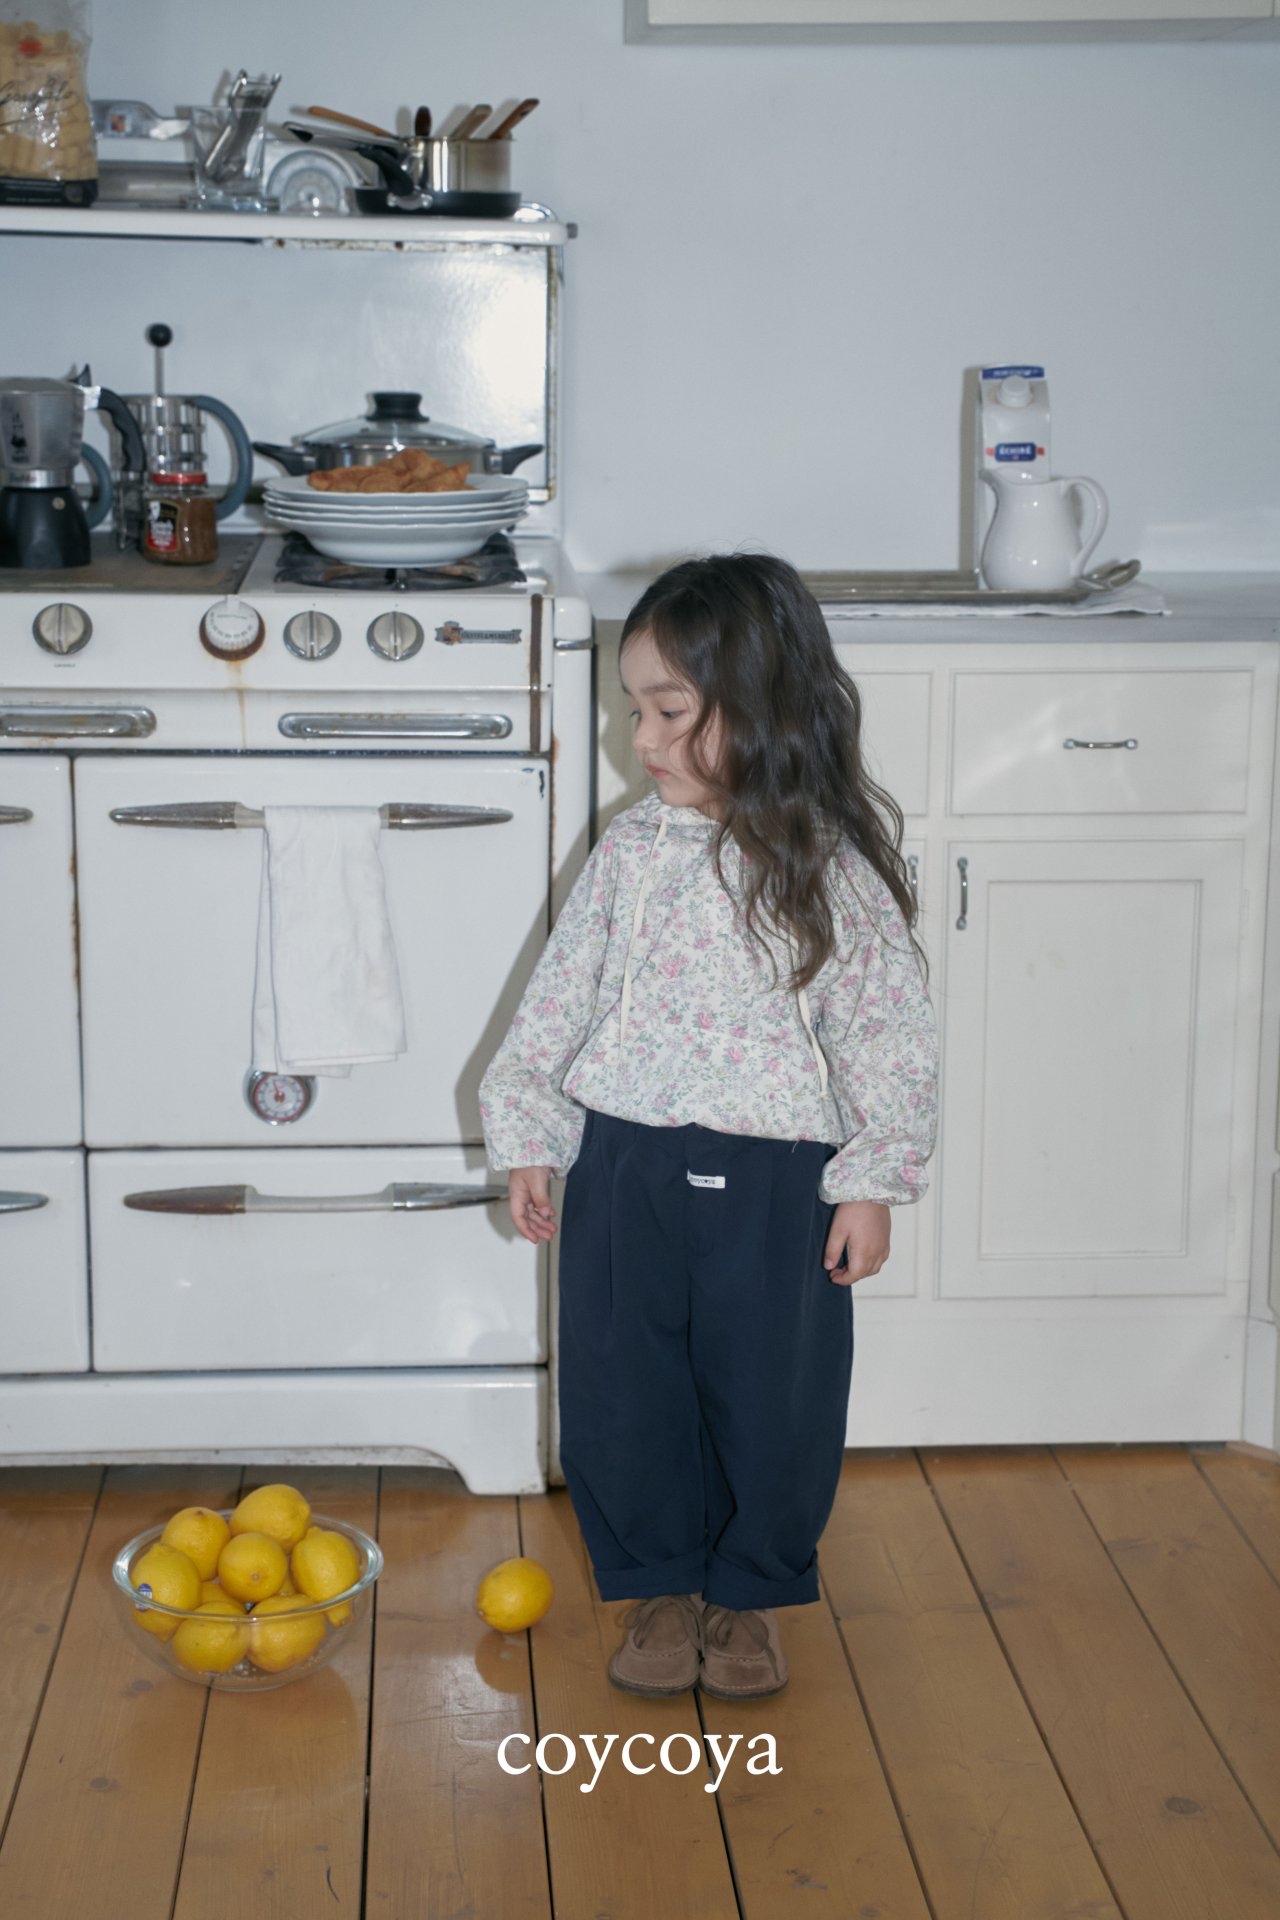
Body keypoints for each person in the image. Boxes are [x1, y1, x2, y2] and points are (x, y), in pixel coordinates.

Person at [479, 552, 938, 1702]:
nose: (639, 739)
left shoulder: (827, 869)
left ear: (763, 706)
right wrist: (528, 1130)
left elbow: (884, 1034)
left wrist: (871, 1178)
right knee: (621, 1387)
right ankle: (660, 1584)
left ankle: (747, 1591)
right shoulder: (629, 853)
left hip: (776, 1181)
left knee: (772, 1395)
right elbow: (559, 997)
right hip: (623, 1165)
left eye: (668, 711)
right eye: (633, 710)